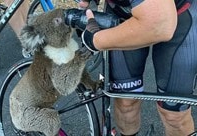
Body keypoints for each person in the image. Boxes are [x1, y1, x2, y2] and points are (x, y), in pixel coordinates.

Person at [77, 0, 196, 136]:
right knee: (126, 103)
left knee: (174, 116)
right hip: (122, 14)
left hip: (179, 16)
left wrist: (95, 41)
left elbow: (161, 26)